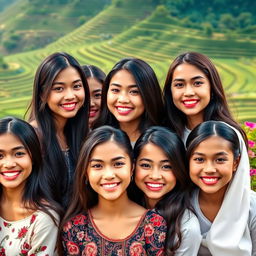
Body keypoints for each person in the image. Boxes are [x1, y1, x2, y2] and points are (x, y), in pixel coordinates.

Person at [60, 126, 167, 255]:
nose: (109, 174)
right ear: (86, 172)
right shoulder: (75, 228)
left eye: (118, 164)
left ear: (132, 167)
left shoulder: (153, 225)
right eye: (97, 166)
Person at [27, 52, 90, 207]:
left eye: (76, 86)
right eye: (59, 88)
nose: (70, 95)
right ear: (42, 94)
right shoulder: (32, 138)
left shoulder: (84, 134)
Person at [186, 120, 255, 255]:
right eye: (199, 159)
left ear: (236, 163)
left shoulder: (252, 206)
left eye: (220, 159)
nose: (209, 169)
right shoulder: (180, 205)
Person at [133, 126, 201, 256]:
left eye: (166, 166)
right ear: (133, 166)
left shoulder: (185, 226)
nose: (155, 175)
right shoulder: (124, 206)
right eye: (146, 165)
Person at [0, 117, 61, 255]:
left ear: (33, 157)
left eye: (19, 154)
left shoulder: (44, 219)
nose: (9, 164)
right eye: (0, 156)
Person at [163, 52, 247, 144]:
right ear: (170, 91)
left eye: (198, 83)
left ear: (212, 87)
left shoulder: (228, 135)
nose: (188, 93)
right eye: (179, 85)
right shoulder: (164, 137)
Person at [93, 57, 165, 146]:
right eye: (115, 90)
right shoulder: (95, 140)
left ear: (149, 94)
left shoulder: (163, 142)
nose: (123, 100)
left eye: (134, 91)